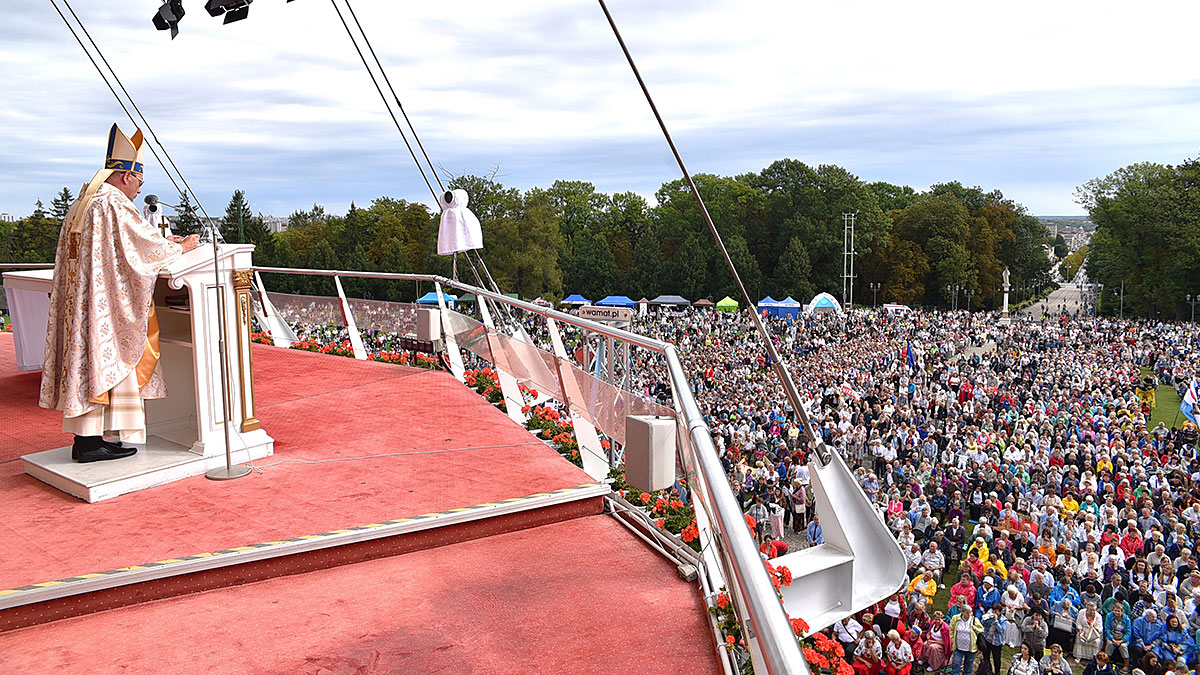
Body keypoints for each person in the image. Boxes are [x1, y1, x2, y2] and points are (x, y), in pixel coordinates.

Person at [39, 123, 200, 462]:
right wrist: (182, 247)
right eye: (141, 182)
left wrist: (159, 242)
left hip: (85, 303)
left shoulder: (86, 200)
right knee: (103, 359)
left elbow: (127, 244)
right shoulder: (113, 203)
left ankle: (88, 439)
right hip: (104, 307)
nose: (141, 190)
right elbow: (140, 249)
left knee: (88, 363)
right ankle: (88, 444)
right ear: (127, 175)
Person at [949, 603, 984, 675]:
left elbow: (981, 630)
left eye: (970, 612)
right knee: (955, 664)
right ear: (962, 612)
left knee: (968, 666)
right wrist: (952, 639)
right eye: (967, 613)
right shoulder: (955, 618)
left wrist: (976, 628)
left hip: (971, 648)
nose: (969, 614)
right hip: (958, 647)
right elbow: (951, 630)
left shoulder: (974, 619)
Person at [981, 604, 1008, 675]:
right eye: (993, 611)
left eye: (996, 611)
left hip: (997, 642)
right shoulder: (990, 617)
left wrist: (996, 621)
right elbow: (982, 624)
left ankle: (997, 672)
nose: (994, 613)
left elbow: (1001, 630)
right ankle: (987, 671)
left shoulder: (1004, 620)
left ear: (1000, 612)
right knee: (986, 657)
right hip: (987, 639)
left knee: (996, 658)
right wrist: (985, 618)